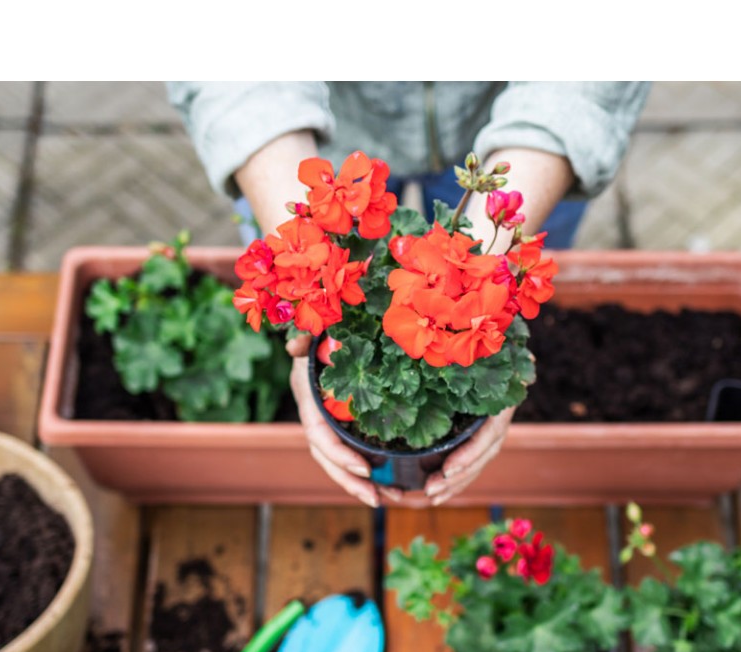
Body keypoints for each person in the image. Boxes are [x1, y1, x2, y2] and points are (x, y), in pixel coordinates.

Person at [168, 82, 651, 507]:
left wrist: (482, 279)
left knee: (496, 280)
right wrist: (307, 273)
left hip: (526, 138)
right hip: (321, 131)